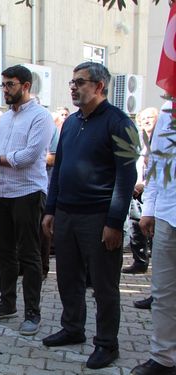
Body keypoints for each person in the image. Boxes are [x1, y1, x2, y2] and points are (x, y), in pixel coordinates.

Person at [41, 62, 137, 369]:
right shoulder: (69, 123)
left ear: (99, 86)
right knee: (68, 277)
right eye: (71, 82)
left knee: (105, 284)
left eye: (79, 82)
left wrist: (114, 222)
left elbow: (126, 176)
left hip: (98, 218)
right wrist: (50, 209)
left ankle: (107, 344)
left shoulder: (121, 123)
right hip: (66, 214)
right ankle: (73, 328)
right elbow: (58, 169)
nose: (73, 87)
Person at [0, 65, 54, 337]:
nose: (5, 90)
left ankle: (32, 313)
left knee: (29, 255)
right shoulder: (7, 118)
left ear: (25, 86)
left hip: (28, 194)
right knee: (5, 252)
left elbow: (29, 156)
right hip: (0, 192)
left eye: (10, 84)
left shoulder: (41, 117)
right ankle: (6, 303)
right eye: (3, 85)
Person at [131, 102, 176, 375]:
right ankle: (163, 358)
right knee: (163, 292)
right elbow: (158, 166)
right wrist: (148, 209)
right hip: (167, 214)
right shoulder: (168, 110)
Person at [123, 106, 158, 275]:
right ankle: (140, 261)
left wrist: (143, 183)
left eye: (151, 117)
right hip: (135, 192)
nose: (147, 121)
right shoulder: (139, 140)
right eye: (143, 119)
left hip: (152, 192)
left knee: (153, 231)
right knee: (135, 226)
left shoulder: (161, 140)